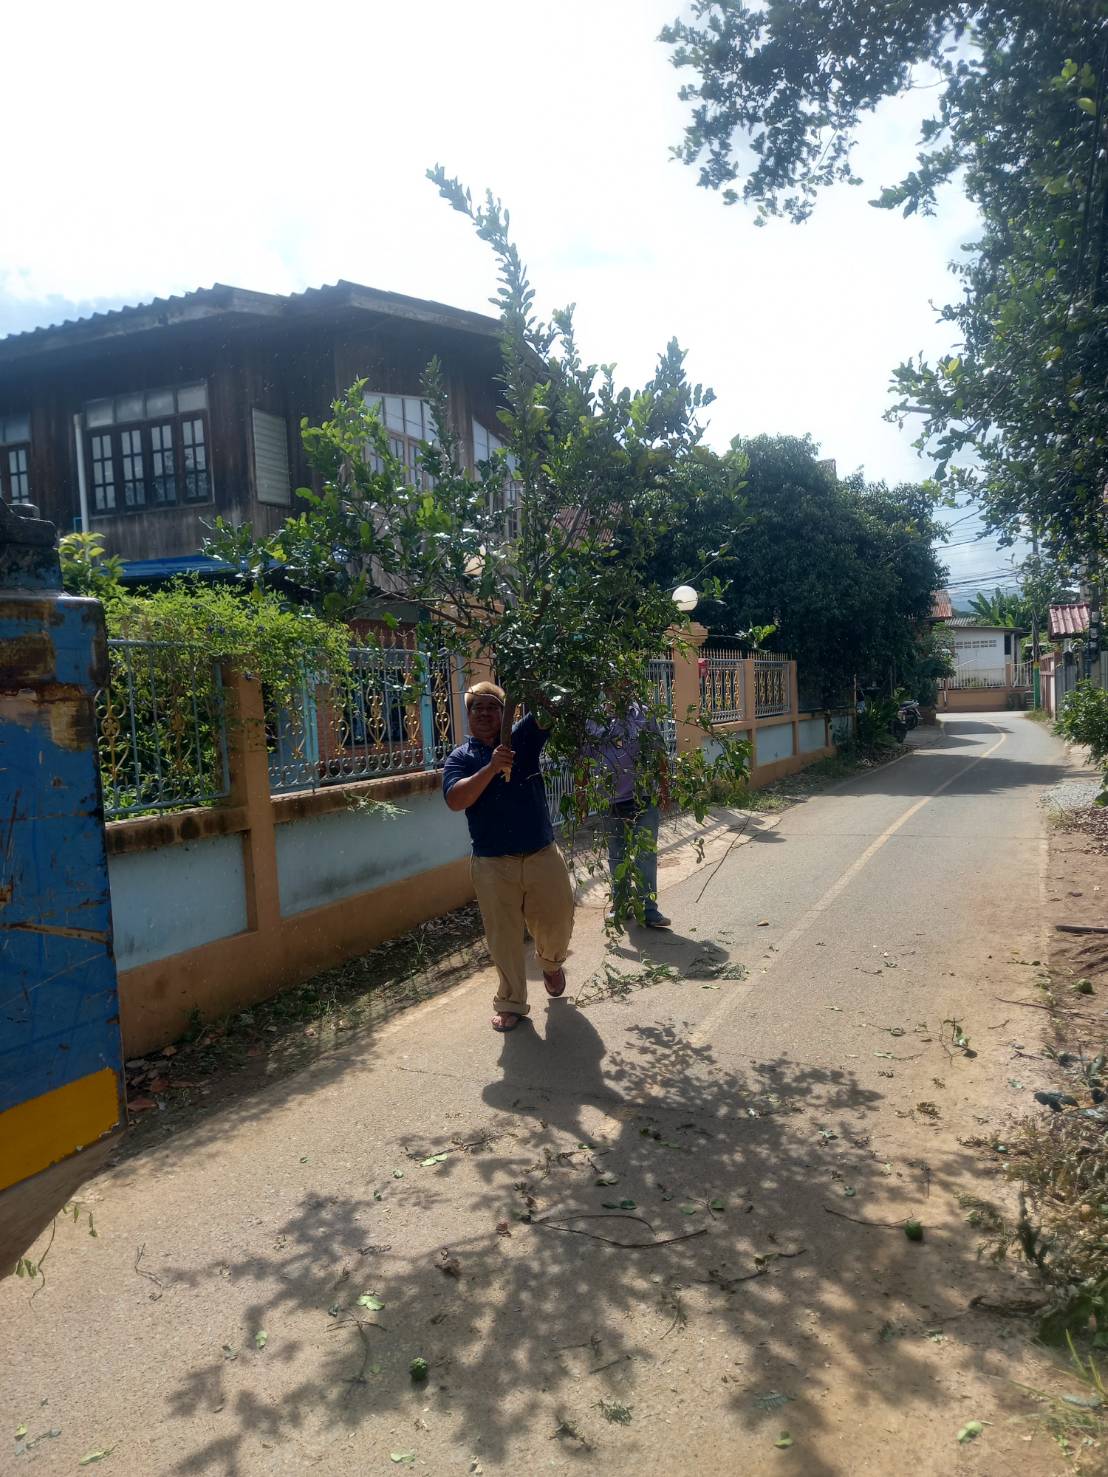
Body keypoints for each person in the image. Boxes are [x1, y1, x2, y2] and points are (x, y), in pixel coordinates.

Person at [442, 681, 575, 1033]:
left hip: (541, 852)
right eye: (477, 707)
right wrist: (491, 767)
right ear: (468, 714)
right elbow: (456, 800)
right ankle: (510, 1001)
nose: (484, 713)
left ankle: (550, 963)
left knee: (559, 918)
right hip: (492, 862)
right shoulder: (460, 758)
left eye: (492, 707)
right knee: (503, 936)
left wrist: (527, 679)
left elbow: (555, 700)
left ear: (505, 713)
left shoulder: (522, 737)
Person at [593, 701, 671, 929]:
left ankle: (649, 910)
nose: (618, 686)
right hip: (610, 800)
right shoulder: (595, 720)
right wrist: (581, 797)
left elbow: (658, 751)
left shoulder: (642, 714)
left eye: (624, 682)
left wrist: (664, 789)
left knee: (645, 854)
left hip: (643, 796)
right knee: (617, 855)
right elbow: (583, 759)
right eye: (611, 684)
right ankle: (621, 906)